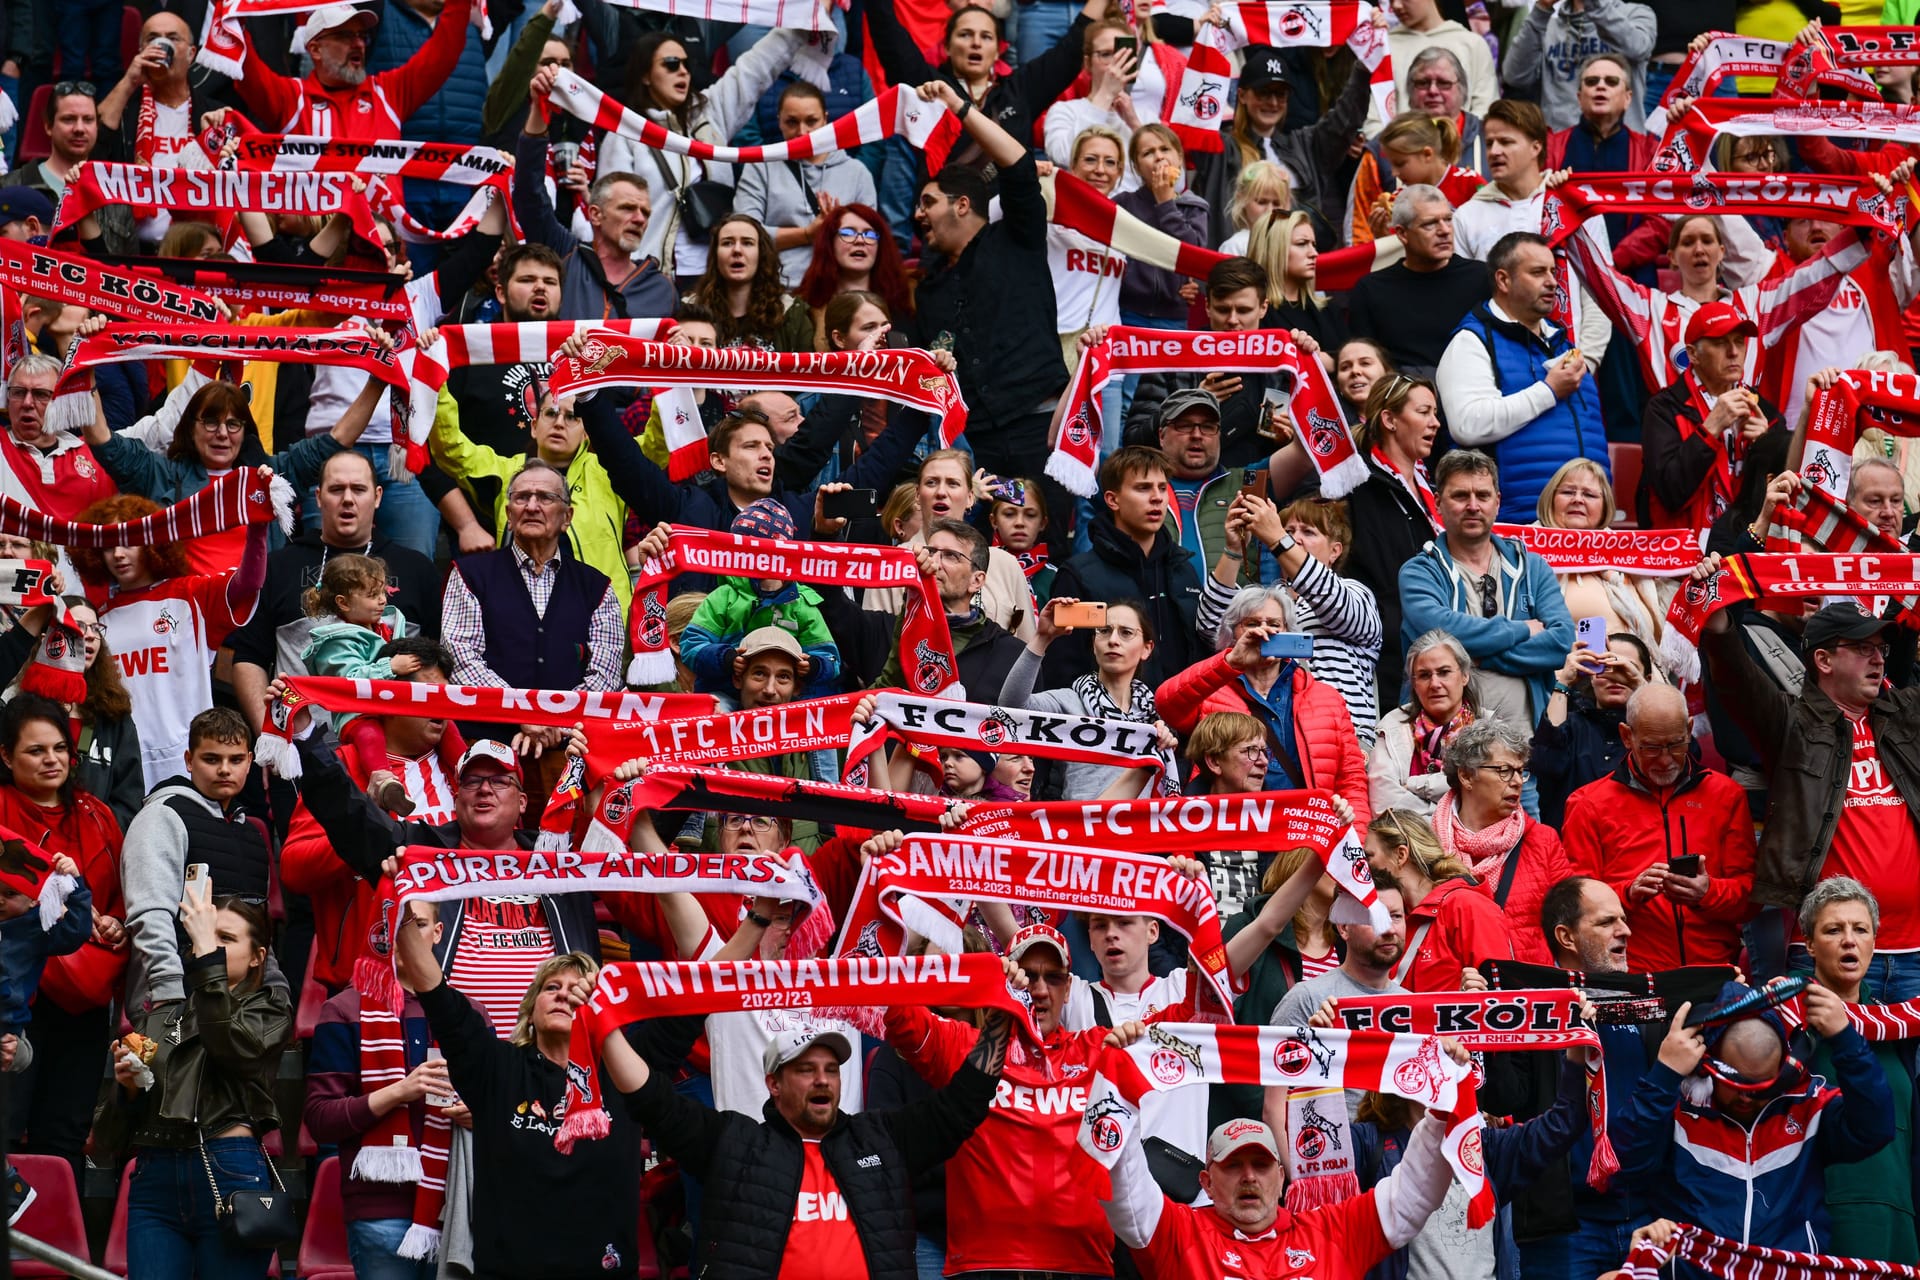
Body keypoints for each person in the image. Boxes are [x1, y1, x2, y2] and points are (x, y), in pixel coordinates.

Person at [591, 925, 1018, 1280]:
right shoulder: (736, 1143)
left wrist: (1001, 1016)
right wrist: (603, 1021)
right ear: (773, 1084)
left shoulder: (879, 1141)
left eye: (831, 1069)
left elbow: (962, 1105)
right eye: (805, 1069)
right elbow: (652, 1099)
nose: (822, 1079)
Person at [389, 908, 642, 1278]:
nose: (563, 995)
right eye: (551, 988)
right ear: (531, 1008)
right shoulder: (498, 1068)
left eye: (577, 989)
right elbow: (439, 999)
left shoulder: (626, 1078)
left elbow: (692, 1007)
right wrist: (405, 910)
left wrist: (759, 920)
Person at [1699, 593, 1920, 995]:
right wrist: (1717, 625)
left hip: (1916, 952)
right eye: (1861, 648)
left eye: (1880, 649)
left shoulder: (1907, 717)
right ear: (1824, 661)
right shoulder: (1791, 724)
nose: (1878, 659)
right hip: (1831, 954)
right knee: (1836, 1061)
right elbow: (1736, 680)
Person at [1618, 980, 1893, 1268]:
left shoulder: (1807, 1105)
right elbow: (1625, 1166)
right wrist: (1664, 1074)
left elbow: (1875, 1128)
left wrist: (1845, 1039)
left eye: (1760, 1086)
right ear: (1708, 1061)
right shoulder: (1676, 1106)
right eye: (1736, 1083)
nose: (1747, 1098)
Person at [908, 81, 1073, 555]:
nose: (919, 214)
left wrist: (960, 107)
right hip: (977, 440)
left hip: (1037, 427)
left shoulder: (1015, 238)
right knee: (974, 550)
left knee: (1049, 548)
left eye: (928, 203)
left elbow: (1018, 166)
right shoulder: (931, 287)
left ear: (962, 205)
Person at [97, 895, 292, 1280]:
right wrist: (129, 1089)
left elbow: (228, 1045)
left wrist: (206, 955)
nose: (212, 946)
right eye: (206, 937)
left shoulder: (268, 1008)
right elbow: (108, 1138)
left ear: (258, 956)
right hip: (155, 1175)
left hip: (228, 1166)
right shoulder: (165, 1016)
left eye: (226, 938)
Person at [1097, 1087, 1455, 1279]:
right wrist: (1115, 1090)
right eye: (1233, 1165)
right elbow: (1125, 1190)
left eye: (1261, 1164)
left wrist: (1443, 1106)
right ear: (1206, 1182)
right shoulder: (1180, 1235)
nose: (1249, 1176)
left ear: (1281, 1176)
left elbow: (1414, 1194)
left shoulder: (1334, 1231)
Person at [228, 450, 442, 742]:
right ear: (318, 497)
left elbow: (436, 666)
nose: (348, 499)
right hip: (305, 745)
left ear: (378, 496)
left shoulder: (417, 569)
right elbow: (248, 659)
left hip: (398, 746)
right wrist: (271, 739)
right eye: (336, 489)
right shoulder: (277, 566)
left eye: (359, 489)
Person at [70, 488, 269, 791]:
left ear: (152, 542)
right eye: (109, 547)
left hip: (188, 760)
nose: (118, 555)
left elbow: (250, 582)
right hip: (123, 767)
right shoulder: (98, 620)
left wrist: (258, 529)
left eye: (129, 542)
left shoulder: (191, 595)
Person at [86, 376, 385, 577]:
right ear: (192, 427)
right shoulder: (163, 475)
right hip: (184, 615)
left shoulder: (270, 475)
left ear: (245, 431)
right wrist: (86, 373)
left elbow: (337, 439)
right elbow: (103, 442)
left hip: (253, 615)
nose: (222, 434)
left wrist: (377, 382)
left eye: (233, 424)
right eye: (211, 422)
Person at [0, 696, 124, 1180]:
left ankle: (55, 1250)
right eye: (35, 751)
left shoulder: (98, 814)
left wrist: (113, 923)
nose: (51, 760)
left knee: (64, 1133)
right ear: (6, 756)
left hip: (85, 995)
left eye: (59, 749)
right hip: (15, 992)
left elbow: (117, 901)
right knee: (7, 1127)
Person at [1562, 684, 1755, 971]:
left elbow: (1751, 898)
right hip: (1631, 977)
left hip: (1714, 973)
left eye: (1676, 744)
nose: (1665, 759)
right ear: (1627, 736)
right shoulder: (1588, 803)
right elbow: (1574, 904)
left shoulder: (1726, 795)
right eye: (1651, 747)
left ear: (1690, 730)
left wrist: (1707, 892)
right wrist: (1628, 894)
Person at [594, 26, 811, 281]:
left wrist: (804, 23)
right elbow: (610, 213)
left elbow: (756, 67)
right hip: (653, 277)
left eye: (687, 64)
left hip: (715, 278)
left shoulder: (710, 113)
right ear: (645, 75)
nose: (683, 71)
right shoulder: (625, 134)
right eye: (671, 64)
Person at [1158, 586, 1372, 823]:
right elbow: (1167, 704)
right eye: (1251, 624)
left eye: (1274, 624)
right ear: (1232, 634)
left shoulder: (1327, 698)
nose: (1264, 632)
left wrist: (1355, 849)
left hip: (1308, 835)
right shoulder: (1211, 691)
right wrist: (1230, 662)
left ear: (1289, 633)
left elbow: (1352, 781)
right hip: (1233, 829)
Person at [1398, 449, 1573, 730]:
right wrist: (1523, 629)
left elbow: (1560, 643)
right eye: (1460, 496)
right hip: (1442, 752)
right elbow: (1439, 632)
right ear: (1438, 503)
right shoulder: (1419, 572)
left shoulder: (1533, 567)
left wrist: (1476, 656)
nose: (1473, 505)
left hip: (1530, 747)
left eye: (1482, 495)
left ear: (1497, 502)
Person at [1438, 233, 1608, 522]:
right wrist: (1549, 390)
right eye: (1537, 272)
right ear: (1503, 280)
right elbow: (1468, 424)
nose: (1553, 282)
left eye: (1553, 272)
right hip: (1518, 529)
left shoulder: (1562, 343)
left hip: (1584, 532)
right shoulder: (1471, 341)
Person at [1798, 877, 1920, 1263]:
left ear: (1874, 942)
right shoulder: (1787, 1028)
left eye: (1860, 929)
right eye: (1834, 930)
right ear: (1810, 946)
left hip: (1898, 1227)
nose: (1849, 940)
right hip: (1818, 1227)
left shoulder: (1899, 1028)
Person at [432, 383, 636, 611]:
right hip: (520, 618)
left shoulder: (610, 470)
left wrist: (678, 370)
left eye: (571, 417)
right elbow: (450, 448)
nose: (559, 423)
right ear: (534, 426)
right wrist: (435, 378)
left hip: (601, 617)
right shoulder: (506, 472)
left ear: (586, 433)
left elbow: (659, 443)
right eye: (551, 413)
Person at [1200, 494, 1383, 748]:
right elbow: (1211, 628)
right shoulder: (1269, 602)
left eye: (1308, 532)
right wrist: (1233, 549)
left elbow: (1334, 602)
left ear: (1335, 550)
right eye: (1288, 531)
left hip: (1343, 741)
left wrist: (1277, 537)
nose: (1295, 539)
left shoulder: (1354, 592)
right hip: (1276, 744)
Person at [440, 459, 624, 704]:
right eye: (522, 497)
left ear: (567, 517)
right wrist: (521, 713)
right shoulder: (469, 575)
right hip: (488, 733)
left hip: (573, 735)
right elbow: (461, 660)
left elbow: (605, 674)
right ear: (508, 515)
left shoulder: (597, 588)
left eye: (546, 497)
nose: (532, 506)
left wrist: (557, 718)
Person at [516, 69, 676, 322]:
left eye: (645, 212)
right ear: (595, 214)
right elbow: (529, 196)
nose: (639, 219)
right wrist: (538, 109)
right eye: (627, 208)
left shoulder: (661, 290)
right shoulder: (564, 256)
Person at [864, 0, 1099, 170]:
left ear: (998, 50)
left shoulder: (1019, 90)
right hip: (947, 220)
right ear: (946, 46)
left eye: (986, 37)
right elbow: (887, 32)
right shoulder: (930, 86)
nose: (976, 43)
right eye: (965, 35)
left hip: (1008, 221)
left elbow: (1072, 48)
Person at [1192, 43, 1378, 251]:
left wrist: (1365, 64)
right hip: (1239, 266)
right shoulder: (1220, 147)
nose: (1272, 102)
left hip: (1297, 266)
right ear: (1242, 95)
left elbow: (1346, 116)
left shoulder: (1306, 145)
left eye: (1280, 94)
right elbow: (1191, 116)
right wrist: (1210, 40)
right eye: (1264, 93)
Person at [1044, 446, 1201, 690]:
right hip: (1109, 723)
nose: (1157, 497)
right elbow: (1063, 670)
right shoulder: (1079, 575)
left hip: (1182, 720)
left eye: (1162, 487)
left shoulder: (1182, 569)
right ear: (1112, 499)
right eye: (1143, 488)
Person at [1125, 261, 1309, 468]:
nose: (1232, 320)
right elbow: (1134, 443)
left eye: (1243, 310)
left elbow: (1314, 447)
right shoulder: (1173, 357)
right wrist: (1189, 402)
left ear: (1263, 308)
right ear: (1207, 307)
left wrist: (1284, 441)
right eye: (1223, 309)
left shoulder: (1282, 364)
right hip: (1180, 489)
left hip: (1257, 489)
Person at [828, 520, 1028, 698]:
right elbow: (830, 603)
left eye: (951, 556)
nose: (934, 562)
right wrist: (825, 534)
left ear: (977, 581)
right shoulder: (882, 630)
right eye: (930, 552)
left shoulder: (1011, 654)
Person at [1001, 599, 1175, 800]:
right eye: (1105, 631)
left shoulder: (1157, 712)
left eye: (1126, 633)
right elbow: (1009, 710)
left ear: (1147, 648)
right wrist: (1042, 637)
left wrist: (1164, 740)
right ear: (1094, 644)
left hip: (1140, 827)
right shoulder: (1069, 702)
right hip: (1081, 826)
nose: (1113, 640)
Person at [858, 452, 1038, 643]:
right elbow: (872, 650)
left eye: (953, 483)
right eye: (931, 483)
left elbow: (1028, 651)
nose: (941, 492)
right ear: (918, 496)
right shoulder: (891, 564)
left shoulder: (1006, 565)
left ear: (970, 497)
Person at [1638, 302, 1788, 532]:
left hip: (1743, 550)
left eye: (1739, 341)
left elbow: (1783, 494)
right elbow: (1671, 492)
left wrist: (1766, 443)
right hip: (1681, 553)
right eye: (1720, 343)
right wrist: (1710, 429)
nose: (1734, 352)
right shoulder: (1663, 409)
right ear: (1692, 354)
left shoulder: (1764, 413)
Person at [1265, 875, 1406, 1119]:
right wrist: (1289, 1159)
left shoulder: (1413, 1006)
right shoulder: (1306, 999)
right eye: (1374, 918)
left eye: (1396, 916)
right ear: (1344, 928)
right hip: (1326, 1151)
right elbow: (1274, 1107)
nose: (1389, 929)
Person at [233, 0, 475, 142]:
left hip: (384, 228)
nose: (358, 43)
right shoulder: (289, 98)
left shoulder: (389, 92)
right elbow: (243, 67)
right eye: (346, 35)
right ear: (315, 49)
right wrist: (230, 12)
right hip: (314, 230)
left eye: (362, 35)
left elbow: (444, 51)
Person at [1430, 718, 1570, 961]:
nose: (1516, 781)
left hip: (1526, 989)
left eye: (1520, 771)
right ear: (1465, 776)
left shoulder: (1543, 841)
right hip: (1452, 989)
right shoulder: (1427, 843)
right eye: (1504, 771)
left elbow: (1571, 921)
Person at [0, 595, 143, 831]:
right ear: (47, 638)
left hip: (92, 852)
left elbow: (129, 800)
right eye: (77, 626)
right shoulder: (16, 708)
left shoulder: (114, 715)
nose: (88, 635)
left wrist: (92, 837)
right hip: (26, 843)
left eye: (96, 628)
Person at [1342, 373, 1441, 704]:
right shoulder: (1357, 486)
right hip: (1383, 653)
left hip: (1432, 645)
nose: (1435, 423)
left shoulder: (1432, 490)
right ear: (1389, 420)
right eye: (1424, 412)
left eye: (1435, 413)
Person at [731, 81, 878, 289]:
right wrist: (808, 234)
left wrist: (836, 231)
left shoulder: (857, 172)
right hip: (777, 293)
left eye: (812, 121)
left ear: (826, 120)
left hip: (839, 295)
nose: (802, 132)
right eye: (791, 122)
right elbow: (744, 235)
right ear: (779, 122)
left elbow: (870, 240)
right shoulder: (760, 168)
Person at [1535, 459, 1675, 671]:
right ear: (1550, 499)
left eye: (1589, 495)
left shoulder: (1628, 552)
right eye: (1568, 492)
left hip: (1640, 676)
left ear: (1605, 507)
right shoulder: (1525, 550)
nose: (1578, 500)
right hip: (1568, 678)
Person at [1345, 185, 1492, 380]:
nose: (1444, 230)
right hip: (1401, 400)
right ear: (1402, 234)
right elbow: (1364, 360)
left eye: (1448, 219)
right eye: (1430, 224)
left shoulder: (1483, 277)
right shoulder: (1371, 290)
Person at [1364, 808, 1514, 991]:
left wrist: (1473, 996)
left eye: (1368, 856)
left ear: (1401, 855)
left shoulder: (1468, 906)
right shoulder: (1396, 916)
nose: (1363, 867)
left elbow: (1502, 999)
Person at [1531, 629, 1654, 828]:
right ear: (1591, 676)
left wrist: (1641, 687)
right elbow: (1544, 763)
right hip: (1572, 848)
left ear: (1646, 677)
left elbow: (1680, 758)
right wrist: (1564, 681)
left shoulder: (1652, 730)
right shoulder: (1572, 724)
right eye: (1604, 667)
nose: (1615, 677)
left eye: (1627, 668)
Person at [1368, 629, 1488, 818]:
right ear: (1414, 684)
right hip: (1409, 843)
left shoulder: (1489, 729)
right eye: (1424, 675)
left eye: (1444, 672)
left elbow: (1488, 798)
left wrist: (1415, 787)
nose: (1434, 684)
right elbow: (1385, 804)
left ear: (1465, 676)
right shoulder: (1393, 726)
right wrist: (1444, 819)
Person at [1503, 0, 1657, 132]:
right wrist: (1541, 10)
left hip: (1624, 146)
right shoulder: (1548, 25)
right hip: (1561, 149)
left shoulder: (1637, 14)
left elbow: (1637, 48)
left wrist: (1595, 5)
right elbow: (1515, 76)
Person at [1114, 125, 1208, 339]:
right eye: (1148, 153)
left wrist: (1165, 202)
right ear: (1137, 167)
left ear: (1180, 158)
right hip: (1127, 314)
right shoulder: (1124, 204)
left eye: (1165, 149)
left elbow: (1193, 252)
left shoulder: (1195, 206)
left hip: (1173, 317)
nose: (1158, 157)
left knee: (1171, 373)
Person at [0, 354, 116, 522]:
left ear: (62, 401)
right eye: (18, 392)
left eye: (41, 394)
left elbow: (160, 428)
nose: (27, 403)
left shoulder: (100, 453)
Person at [686, 215, 814, 352]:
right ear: (715, 255)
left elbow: (807, 368)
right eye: (727, 243)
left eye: (747, 243)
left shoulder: (790, 312)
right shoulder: (690, 310)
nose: (737, 250)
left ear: (761, 254)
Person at [796, 203, 916, 341]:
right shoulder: (806, 308)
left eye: (869, 234)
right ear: (829, 243)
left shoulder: (906, 297)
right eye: (847, 233)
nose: (860, 240)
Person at [1246, 211, 1344, 352]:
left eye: (1313, 245)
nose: (1314, 253)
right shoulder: (1249, 312)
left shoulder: (1329, 310)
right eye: (1302, 244)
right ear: (1273, 250)